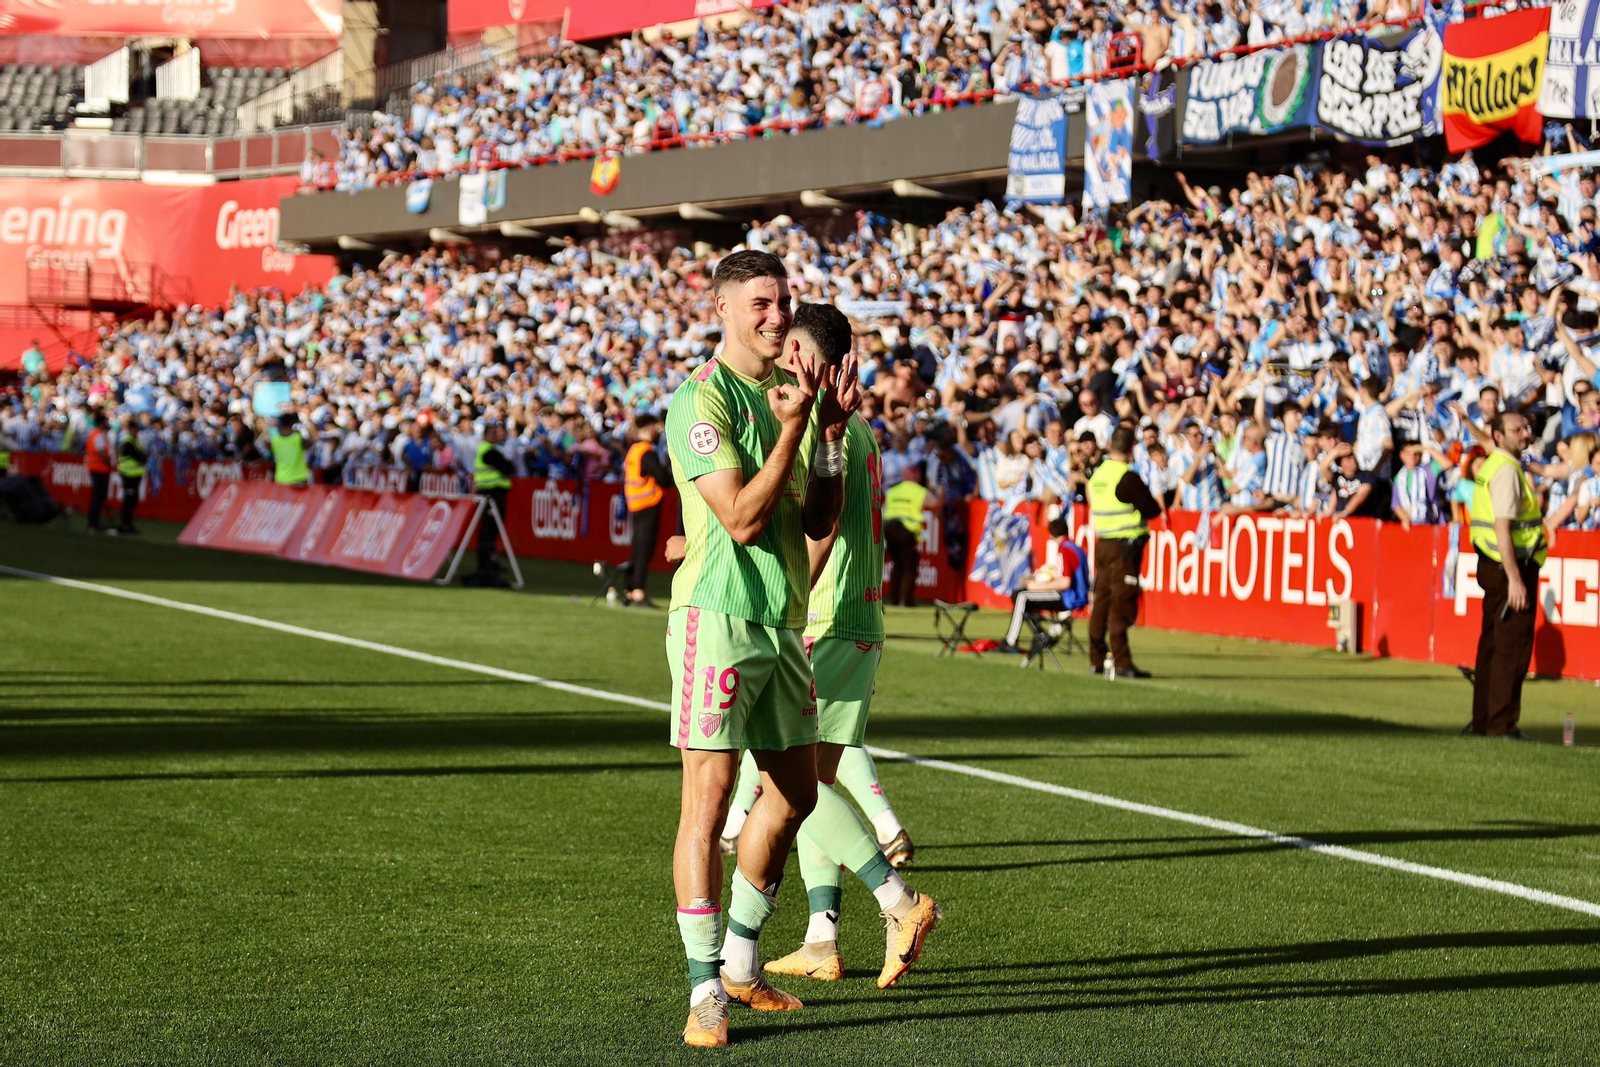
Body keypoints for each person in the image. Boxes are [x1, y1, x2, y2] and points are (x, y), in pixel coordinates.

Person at [662, 251, 853, 1048]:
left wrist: (830, 438)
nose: (778, 316)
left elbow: (814, 523)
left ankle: (741, 960)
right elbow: (740, 517)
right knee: (707, 807)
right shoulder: (700, 400)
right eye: (761, 302)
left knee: (798, 795)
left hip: (782, 622)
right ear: (723, 307)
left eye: (784, 301)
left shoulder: (790, 396)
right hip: (719, 620)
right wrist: (791, 430)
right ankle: (706, 988)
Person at [755, 301, 938, 988]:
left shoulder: (815, 427)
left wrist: (789, 607)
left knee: (790, 785)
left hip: (824, 621)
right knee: (814, 787)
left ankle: (901, 901)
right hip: (862, 620)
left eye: (788, 348)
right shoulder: (857, 426)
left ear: (809, 356)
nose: (779, 358)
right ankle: (821, 937)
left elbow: (821, 531)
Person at [1467, 413, 1546, 740]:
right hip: (1509, 568)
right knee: (1511, 650)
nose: (1526, 434)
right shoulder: (1507, 471)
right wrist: (1515, 578)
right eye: (1518, 430)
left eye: (1526, 428)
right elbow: (1503, 526)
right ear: (1499, 436)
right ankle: (1501, 726)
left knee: (1491, 646)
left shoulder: (1493, 464)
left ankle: (1485, 721)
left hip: (1493, 565)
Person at [1087, 426, 1163, 678]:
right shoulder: (1126, 476)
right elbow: (1152, 509)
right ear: (1132, 449)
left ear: (1109, 446)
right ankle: (1122, 662)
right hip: (1125, 547)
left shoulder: (1098, 475)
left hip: (1104, 543)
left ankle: (1096, 659)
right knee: (1122, 604)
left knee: (1102, 601)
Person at [1000, 517, 1088, 652]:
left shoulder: (1064, 550)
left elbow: (1065, 582)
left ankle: (1010, 642)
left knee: (1021, 596)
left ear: (1051, 535)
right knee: (1021, 595)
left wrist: (1036, 586)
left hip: (1070, 598)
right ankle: (1041, 634)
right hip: (1078, 595)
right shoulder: (1077, 548)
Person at [622, 414, 669, 608]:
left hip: (635, 504)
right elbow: (663, 479)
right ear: (651, 428)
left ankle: (630, 589)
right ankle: (638, 592)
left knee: (637, 549)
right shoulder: (646, 451)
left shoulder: (633, 450)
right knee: (644, 550)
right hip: (648, 504)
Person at [881, 464, 934, 607]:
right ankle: (905, 600)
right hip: (907, 531)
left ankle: (893, 598)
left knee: (897, 564)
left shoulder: (893, 491)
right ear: (918, 476)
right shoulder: (920, 491)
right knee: (909, 567)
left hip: (889, 530)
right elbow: (936, 503)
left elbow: (883, 510)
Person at [471, 421, 514, 587]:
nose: (496, 436)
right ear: (487, 435)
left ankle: (488, 563)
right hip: (491, 495)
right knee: (489, 531)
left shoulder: (488, 450)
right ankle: (486, 565)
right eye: (493, 433)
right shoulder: (488, 452)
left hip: (490, 494)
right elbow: (507, 467)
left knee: (489, 531)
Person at [114, 416, 147, 536]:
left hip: (134, 475)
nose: (137, 432)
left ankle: (128, 524)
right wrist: (143, 458)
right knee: (129, 500)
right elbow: (139, 457)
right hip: (129, 475)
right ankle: (125, 524)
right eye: (136, 429)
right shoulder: (128, 442)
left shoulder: (134, 442)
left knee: (132, 500)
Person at [84, 412, 115, 534]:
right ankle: (93, 524)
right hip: (99, 469)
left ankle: (94, 523)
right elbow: (101, 452)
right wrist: (109, 463)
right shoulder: (98, 435)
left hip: (96, 468)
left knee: (98, 497)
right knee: (98, 497)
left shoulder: (96, 434)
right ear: (102, 422)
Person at [269, 413, 310, 487]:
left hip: (281, 478)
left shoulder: (274, 439)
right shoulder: (297, 438)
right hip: (298, 478)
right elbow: (311, 444)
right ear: (292, 423)